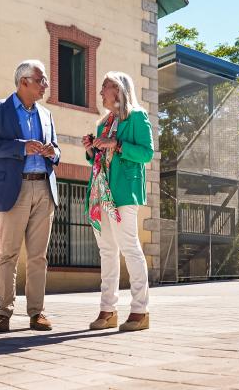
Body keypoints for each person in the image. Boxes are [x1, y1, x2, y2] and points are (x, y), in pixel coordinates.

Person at [0, 60, 60, 333]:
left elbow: (57, 150)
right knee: (8, 254)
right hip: (15, 189)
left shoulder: (46, 115)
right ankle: (4, 312)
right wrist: (22, 147)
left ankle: (37, 313)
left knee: (38, 256)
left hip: (44, 188)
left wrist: (52, 153)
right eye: (41, 80)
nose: (45, 85)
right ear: (24, 82)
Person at [83, 72, 154, 332]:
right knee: (107, 251)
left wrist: (117, 144)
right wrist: (92, 149)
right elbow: (99, 160)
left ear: (119, 89)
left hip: (124, 192)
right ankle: (107, 310)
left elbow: (146, 153)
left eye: (105, 87)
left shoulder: (136, 117)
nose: (101, 92)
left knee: (129, 247)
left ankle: (140, 310)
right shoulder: (104, 122)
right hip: (100, 193)